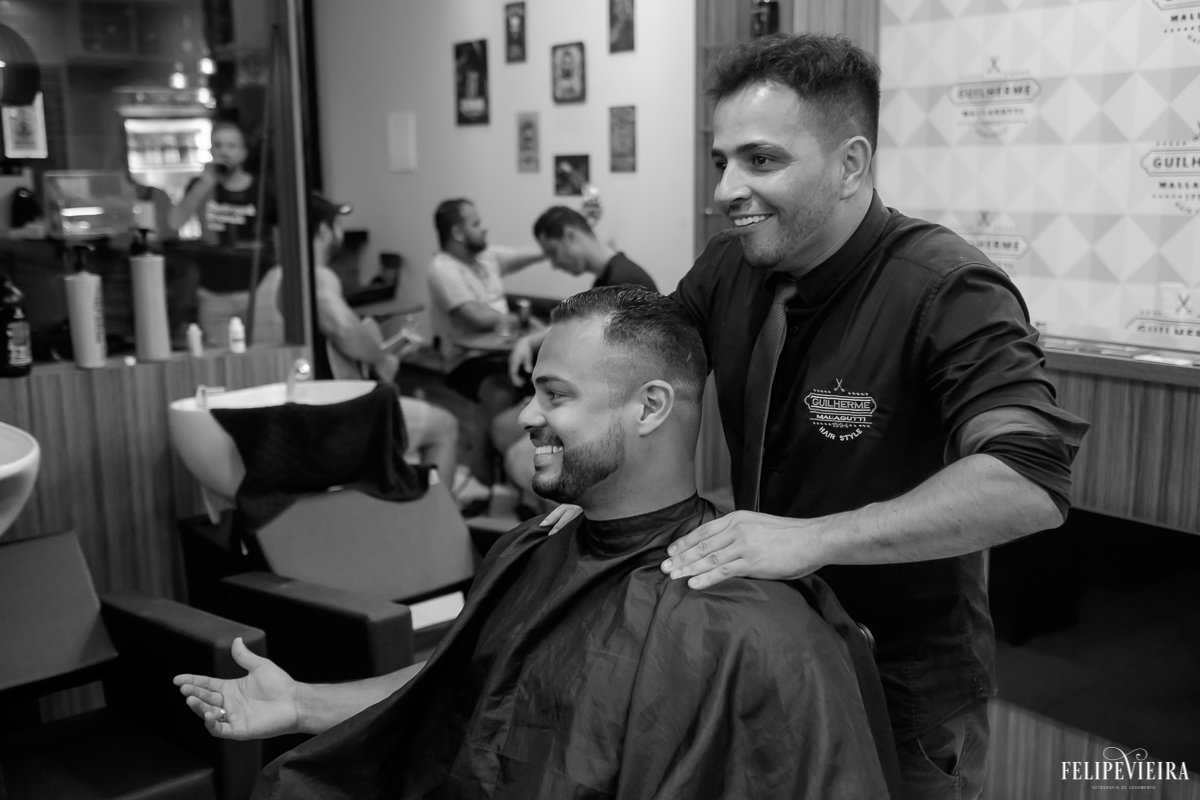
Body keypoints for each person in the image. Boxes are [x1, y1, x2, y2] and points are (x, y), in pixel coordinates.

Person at [175, 287, 897, 799]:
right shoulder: (533, 550)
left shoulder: (759, 628)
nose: (525, 415)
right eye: (532, 390)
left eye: (555, 395)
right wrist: (303, 703)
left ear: (649, 408)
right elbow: (456, 684)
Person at [651, 33, 1088, 800]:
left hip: (900, 682)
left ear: (851, 165)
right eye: (720, 161)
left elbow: (1028, 479)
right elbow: (655, 372)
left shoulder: (947, 288)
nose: (725, 188)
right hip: (767, 643)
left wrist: (816, 538)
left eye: (760, 160)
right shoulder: (729, 264)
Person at [252, 191, 459, 487]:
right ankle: (439, 526)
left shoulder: (269, 280)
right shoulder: (316, 275)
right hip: (325, 423)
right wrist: (382, 359)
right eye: (337, 222)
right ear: (325, 230)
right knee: (444, 426)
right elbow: (342, 327)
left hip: (280, 426)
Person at [496, 205, 658, 514]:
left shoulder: (624, 283)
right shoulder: (612, 277)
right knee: (508, 429)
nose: (555, 265)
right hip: (594, 401)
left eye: (554, 252)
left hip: (610, 414)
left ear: (570, 236)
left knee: (519, 453)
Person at [168, 120, 277, 347]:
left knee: (263, 354)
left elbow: (279, 237)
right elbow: (173, 223)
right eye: (218, 146)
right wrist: (205, 185)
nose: (224, 151)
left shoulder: (262, 189)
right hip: (213, 293)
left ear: (243, 153)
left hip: (258, 291)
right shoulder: (201, 186)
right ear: (210, 150)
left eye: (231, 146)